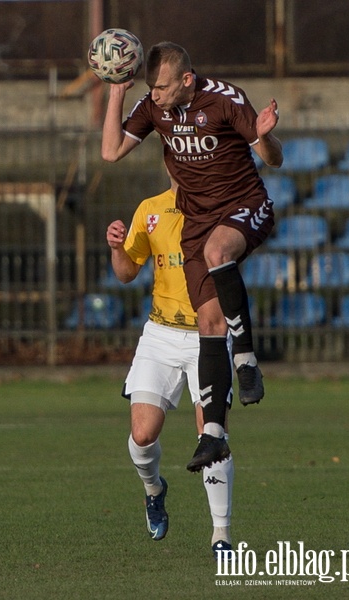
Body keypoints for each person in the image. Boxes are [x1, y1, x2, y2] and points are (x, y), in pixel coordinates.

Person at [102, 41, 283, 472]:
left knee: (218, 250)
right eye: (151, 88)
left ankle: (245, 355)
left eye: (162, 86)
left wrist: (267, 132)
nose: (156, 94)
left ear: (186, 79)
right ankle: (214, 436)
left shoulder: (225, 100)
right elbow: (110, 152)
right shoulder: (153, 107)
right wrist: (116, 91)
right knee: (209, 324)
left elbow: (274, 159)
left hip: (244, 205)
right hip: (197, 225)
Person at [106, 175, 234, 558]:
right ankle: (154, 489)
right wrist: (116, 247)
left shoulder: (219, 207)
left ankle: (221, 533)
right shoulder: (150, 209)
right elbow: (127, 272)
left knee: (212, 434)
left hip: (208, 336)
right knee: (142, 435)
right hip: (160, 334)